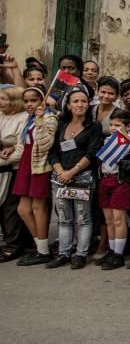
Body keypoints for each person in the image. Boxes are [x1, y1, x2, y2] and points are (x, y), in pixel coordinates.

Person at [45, 87, 102, 269]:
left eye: (83, 101)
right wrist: (61, 171)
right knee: (64, 218)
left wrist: (72, 172)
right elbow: (52, 151)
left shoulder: (94, 126)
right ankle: (63, 253)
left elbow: (92, 153)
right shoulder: (61, 125)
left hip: (83, 177)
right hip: (60, 178)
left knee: (83, 218)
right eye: (76, 101)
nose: (80, 104)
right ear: (68, 105)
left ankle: (80, 254)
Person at [13, 87, 57, 265]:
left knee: (39, 208)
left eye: (34, 100)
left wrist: (40, 121)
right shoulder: (28, 119)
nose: (29, 104)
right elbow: (23, 142)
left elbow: (46, 144)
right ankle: (40, 247)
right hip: (26, 163)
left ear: (42, 101)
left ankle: (43, 251)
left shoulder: (49, 117)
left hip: (40, 165)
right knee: (23, 209)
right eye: (26, 101)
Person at [95, 109, 130, 271]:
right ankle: (112, 250)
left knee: (119, 218)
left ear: (128, 126)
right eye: (111, 124)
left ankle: (119, 254)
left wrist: (122, 163)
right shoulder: (106, 140)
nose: (113, 128)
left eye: (117, 125)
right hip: (104, 180)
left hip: (120, 181)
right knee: (109, 220)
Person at [0, 86, 29, 261]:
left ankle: (13, 245)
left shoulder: (23, 118)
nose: (1, 102)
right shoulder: (1, 115)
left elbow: (21, 150)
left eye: (4, 98)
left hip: (13, 170)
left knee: (10, 209)